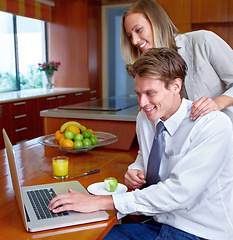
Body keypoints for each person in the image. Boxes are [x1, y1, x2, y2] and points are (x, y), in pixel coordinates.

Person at [48, 48, 233, 240]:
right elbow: (145, 154)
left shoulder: (212, 125)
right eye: (138, 93)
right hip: (158, 220)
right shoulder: (145, 118)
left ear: (176, 86)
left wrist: (99, 202)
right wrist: (136, 168)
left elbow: (178, 192)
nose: (142, 103)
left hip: (199, 231)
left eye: (150, 93)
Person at [121, 0, 233, 122]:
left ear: (157, 22)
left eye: (138, 30)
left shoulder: (203, 41)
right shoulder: (149, 67)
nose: (134, 41)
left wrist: (217, 103)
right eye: (130, 36)